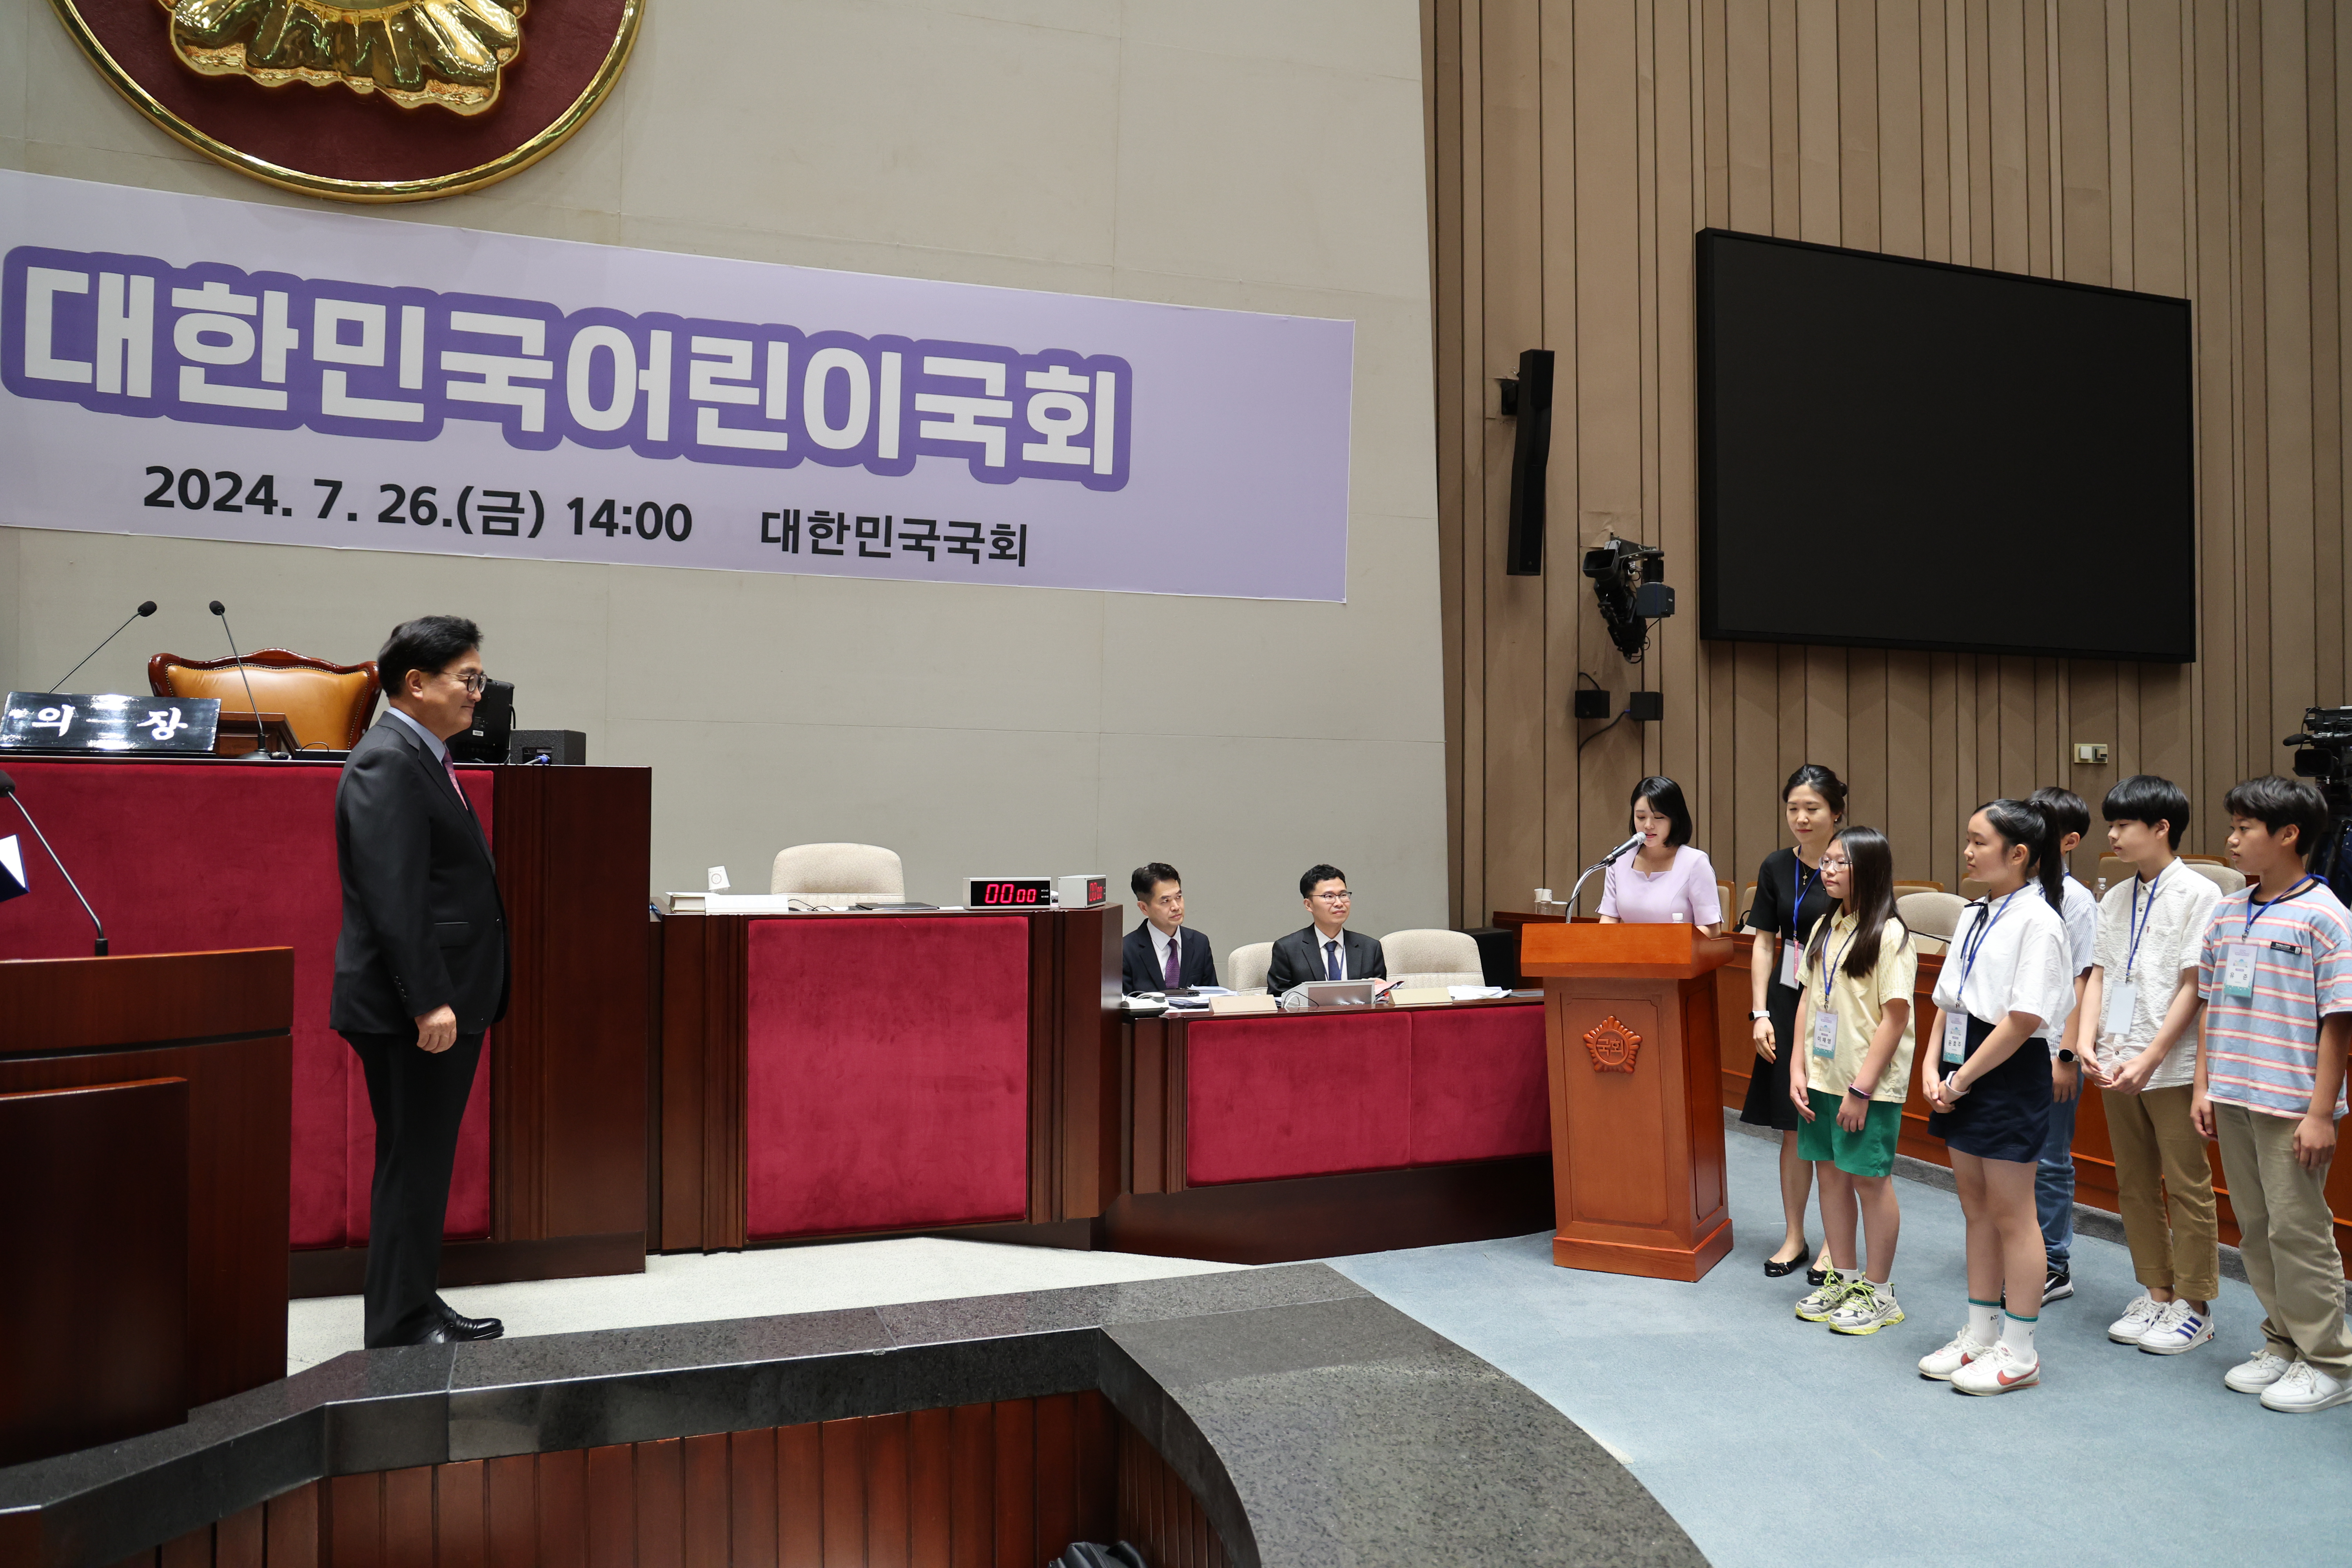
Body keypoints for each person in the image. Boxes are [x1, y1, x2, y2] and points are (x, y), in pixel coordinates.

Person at [331, 615, 510, 1349]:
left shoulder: (421, 755)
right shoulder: (388, 762)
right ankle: (400, 1325)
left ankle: (414, 1304)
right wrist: (428, 998)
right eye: (466, 679)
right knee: (413, 1163)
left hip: (435, 997)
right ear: (416, 683)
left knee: (424, 1162)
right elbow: (394, 896)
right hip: (414, 1007)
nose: (478, 693)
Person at [2192, 776, 2352, 1413]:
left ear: (2288, 836)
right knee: (2256, 1231)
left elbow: (2339, 1023)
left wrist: (2321, 1113)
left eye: (2244, 829)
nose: (2231, 841)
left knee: (2300, 1232)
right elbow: (2209, 1003)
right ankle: (2283, 1341)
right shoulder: (2229, 911)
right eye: (2231, 827)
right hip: (2234, 1095)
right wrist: (2204, 1083)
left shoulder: (2327, 916)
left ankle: (2331, 1361)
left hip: (2292, 1106)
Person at [1917, 800, 2077, 1395]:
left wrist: (1961, 1080)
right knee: (1976, 1209)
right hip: (1962, 1061)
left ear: (2019, 855)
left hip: (2007, 1070)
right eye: (1968, 839)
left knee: (2014, 1216)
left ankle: (2020, 1349)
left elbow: (2024, 1018)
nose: (1968, 851)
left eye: (1979, 842)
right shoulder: (1974, 913)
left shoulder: (2041, 920)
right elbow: (1946, 1001)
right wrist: (1933, 1068)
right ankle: (1980, 1334)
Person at [2084, 775, 2222, 1355]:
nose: (2112, 835)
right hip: (2115, 1060)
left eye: (2123, 825)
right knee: (2135, 1183)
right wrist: (2087, 1040)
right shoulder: (2115, 897)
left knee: (2188, 1185)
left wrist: (2154, 1054)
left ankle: (2195, 1303)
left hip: (2170, 1064)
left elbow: (2196, 985)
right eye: (2111, 824)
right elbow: (2098, 973)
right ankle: (2157, 1292)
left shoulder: (2200, 894)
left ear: (2161, 828)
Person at [1784, 825, 1915, 1336]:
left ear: (1871, 870)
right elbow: (1805, 1000)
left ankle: (1880, 1293)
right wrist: (1797, 1066)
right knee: (1831, 1176)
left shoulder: (1890, 934)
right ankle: (1844, 1277)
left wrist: (1861, 1089)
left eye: (1841, 862)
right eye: (1827, 861)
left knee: (1869, 1181)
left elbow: (1896, 1018)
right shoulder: (1824, 927)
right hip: (1822, 1076)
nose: (1828, 868)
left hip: (1867, 1087)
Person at [1739, 764, 1846, 1279]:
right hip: (1785, 999)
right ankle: (1795, 1237)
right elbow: (1763, 941)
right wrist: (1759, 1012)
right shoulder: (1777, 866)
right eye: (1793, 809)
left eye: (1813, 809)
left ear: (1837, 813)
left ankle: (1835, 1243)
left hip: (1836, 1003)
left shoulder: (1853, 862)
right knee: (1790, 1126)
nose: (1801, 818)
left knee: (1825, 1125)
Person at [2025, 785, 2099, 1305]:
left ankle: (2055, 1263)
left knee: (2052, 1161)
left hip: (2053, 1048)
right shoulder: (2018, 888)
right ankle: (2025, 1249)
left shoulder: (2076, 900)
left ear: (2069, 841)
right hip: (2014, 1044)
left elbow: (2083, 981)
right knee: (2015, 1157)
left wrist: (2068, 1055)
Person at [1596, 776, 1724, 933]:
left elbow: (1712, 929)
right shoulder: (1620, 858)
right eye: (1641, 817)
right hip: (1629, 954)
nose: (1648, 825)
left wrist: (1665, 944)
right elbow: (1609, 919)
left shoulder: (1695, 862)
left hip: (1675, 954)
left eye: (1659, 818)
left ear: (1675, 819)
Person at [1268, 864, 1386, 992]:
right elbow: (1278, 1002)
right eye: (1329, 897)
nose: (1339, 903)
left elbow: (1381, 1003)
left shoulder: (1370, 948)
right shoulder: (1287, 950)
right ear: (1309, 905)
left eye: (1343, 895)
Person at [1122, 862, 1218, 994]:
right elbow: (1118, 1009)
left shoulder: (1200, 943)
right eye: (1166, 901)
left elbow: (1214, 999)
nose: (1176, 907)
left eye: (1178, 897)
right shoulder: (1125, 951)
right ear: (1144, 908)